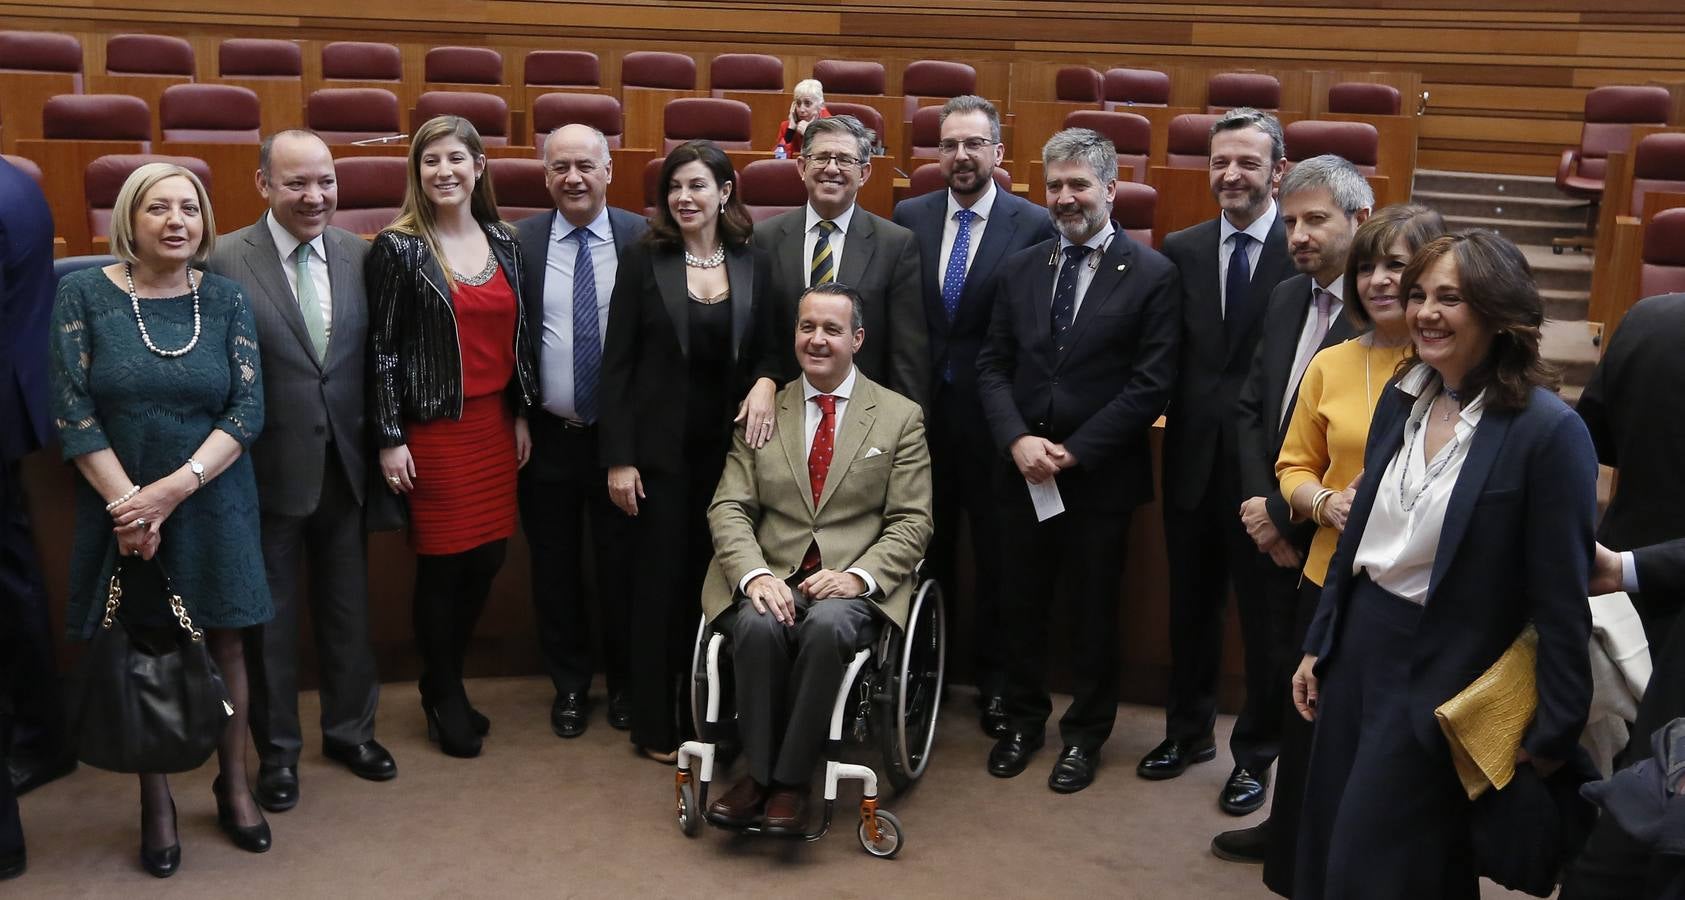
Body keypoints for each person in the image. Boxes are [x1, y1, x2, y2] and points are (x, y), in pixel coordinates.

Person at [1291, 230, 1597, 899]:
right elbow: (1358, 535)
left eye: (1450, 298)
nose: (1425, 311)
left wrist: (1552, 734)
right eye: (1419, 295)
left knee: (1377, 867)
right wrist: (1320, 642)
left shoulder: (1547, 433)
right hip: (1357, 652)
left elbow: (1561, 595)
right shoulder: (1405, 396)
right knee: (1336, 853)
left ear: (1496, 312)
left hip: (1439, 674)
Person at [48, 162, 273, 875]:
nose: (177, 221)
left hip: (211, 499)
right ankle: (156, 800)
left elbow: (247, 410)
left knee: (228, 646)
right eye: (158, 208)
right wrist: (129, 505)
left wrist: (169, 493)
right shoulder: (82, 294)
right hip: (120, 507)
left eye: (190, 208)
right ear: (129, 220)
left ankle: (234, 782)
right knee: (146, 644)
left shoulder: (228, 300)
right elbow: (72, 410)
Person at [1230, 204, 1444, 884]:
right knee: (1310, 729)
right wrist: (1322, 502)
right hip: (1327, 577)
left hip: (1412, 587)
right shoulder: (1329, 362)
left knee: (1384, 744)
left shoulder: (1443, 362)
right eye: (1367, 267)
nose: (1379, 280)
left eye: (1397, 266)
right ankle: (1298, 864)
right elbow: (1292, 465)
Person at [977, 127, 1180, 794]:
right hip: (1020, 471)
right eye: (1055, 185)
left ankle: (1085, 736)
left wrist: (1074, 451)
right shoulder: (1020, 268)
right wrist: (1016, 441)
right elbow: (992, 368)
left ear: (1110, 190)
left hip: (1098, 479)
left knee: (1094, 615)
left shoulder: (1152, 274)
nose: (1065, 198)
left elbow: (1149, 384)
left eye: (1078, 185)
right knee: (1020, 606)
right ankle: (1022, 722)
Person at [700, 282, 933, 832]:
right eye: (808, 327)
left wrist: (859, 577)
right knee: (757, 625)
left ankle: (790, 780)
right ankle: (759, 776)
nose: (818, 340)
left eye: (832, 329)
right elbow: (729, 506)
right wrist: (754, 574)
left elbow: (913, 520)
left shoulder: (899, 417)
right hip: (772, 570)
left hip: (847, 583)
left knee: (827, 627)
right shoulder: (763, 410)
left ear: (857, 338)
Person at [206, 129, 394, 813]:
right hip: (260, 473)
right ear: (263, 185)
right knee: (270, 627)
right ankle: (277, 756)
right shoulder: (222, 257)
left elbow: (374, 358)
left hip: (345, 466)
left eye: (325, 182)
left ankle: (351, 732)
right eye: (297, 183)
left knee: (349, 614)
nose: (315, 197)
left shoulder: (358, 253)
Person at [1202, 154, 1373, 853]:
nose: (1296, 235)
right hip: (1269, 512)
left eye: (1315, 221)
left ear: (1359, 222)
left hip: (1338, 529)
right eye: (1292, 220)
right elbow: (1251, 407)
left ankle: (1319, 835)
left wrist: (1288, 510)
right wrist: (1259, 504)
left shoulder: (1382, 314)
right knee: (1273, 657)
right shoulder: (1283, 296)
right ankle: (1268, 796)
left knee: (1322, 681)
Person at [367, 115, 538, 760]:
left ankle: (450, 678)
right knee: (444, 566)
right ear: (417, 172)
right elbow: (382, 351)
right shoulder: (399, 247)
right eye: (431, 160)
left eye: (456, 159)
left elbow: (518, 340)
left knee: (488, 559)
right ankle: (441, 692)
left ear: (479, 168)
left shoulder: (505, 240)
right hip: (432, 430)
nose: (445, 171)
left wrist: (522, 413)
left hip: (494, 425)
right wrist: (389, 436)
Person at [599, 140, 773, 763]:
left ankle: (716, 717)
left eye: (697, 185)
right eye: (674, 187)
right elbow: (615, 366)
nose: (684, 198)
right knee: (661, 591)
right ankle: (655, 723)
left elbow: (772, 350)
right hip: (658, 461)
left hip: (732, 461)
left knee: (722, 590)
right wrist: (619, 457)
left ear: (725, 191)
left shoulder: (755, 261)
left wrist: (764, 382)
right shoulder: (645, 260)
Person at [891, 95, 1054, 738]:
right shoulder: (911, 214)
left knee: (999, 559)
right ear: (936, 154)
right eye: (950, 145)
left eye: (974, 144)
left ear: (997, 152)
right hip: (922, 418)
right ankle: (921, 672)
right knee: (923, 551)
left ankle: (993, 683)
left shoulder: (1033, 222)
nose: (961, 156)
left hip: (996, 420)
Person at [1148, 107, 1296, 799]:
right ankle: (1185, 732)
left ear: (1278, 171)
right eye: (1219, 162)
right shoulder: (1179, 248)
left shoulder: (1298, 256)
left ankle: (1254, 755)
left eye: (1246, 162)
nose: (1230, 175)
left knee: (1264, 624)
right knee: (1189, 609)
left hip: (1266, 474)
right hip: (1190, 463)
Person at [514, 124, 646, 739]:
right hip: (548, 437)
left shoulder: (643, 236)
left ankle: (625, 686)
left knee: (624, 570)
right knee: (555, 569)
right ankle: (569, 686)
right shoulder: (521, 242)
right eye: (560, 166)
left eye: (585, 166)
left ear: (608, 170)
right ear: (545, 176)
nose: (573, 177)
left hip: (622, 440)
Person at [1564, 290, 1685, 900]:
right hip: (1635, 582)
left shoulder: (1648, 321)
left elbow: (1587, 444)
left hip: (1618, 603)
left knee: (1615, 794)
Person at [751, 114, 928, 410]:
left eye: (845, 160)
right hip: (782, 414)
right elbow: (756, 339)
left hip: (865, 418)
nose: (831, 168)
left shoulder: (896, 245)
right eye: (821, 157)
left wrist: (902, 432)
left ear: (865, 173)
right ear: (801, 167)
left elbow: (907, 356)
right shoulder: (764, 238)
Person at [0, 154, 59, 881]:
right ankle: (43, 734)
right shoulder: (18, 181)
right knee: (14, 578)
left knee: (13, 587)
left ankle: (41, 735)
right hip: (11, 410)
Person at [773, 78, 830, 159]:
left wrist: (809, 134)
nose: (801, 109)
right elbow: (778, 159)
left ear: (820, 106)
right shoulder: (786, 126)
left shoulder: (831, 127)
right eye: (798, 103)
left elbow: (827, 159)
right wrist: (790, 131)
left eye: (807, 103)